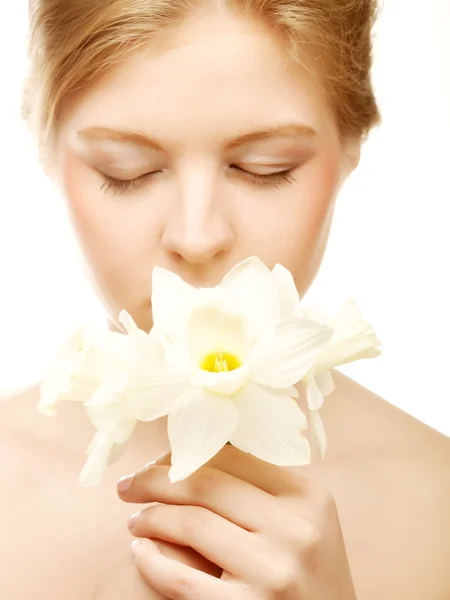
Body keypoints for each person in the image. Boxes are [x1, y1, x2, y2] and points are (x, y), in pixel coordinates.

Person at [1, 0, 449, 598]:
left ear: (350, 146)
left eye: (263, 168)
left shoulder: (435, 504)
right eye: (126, 170)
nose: (196, 236)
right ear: (47, 149)